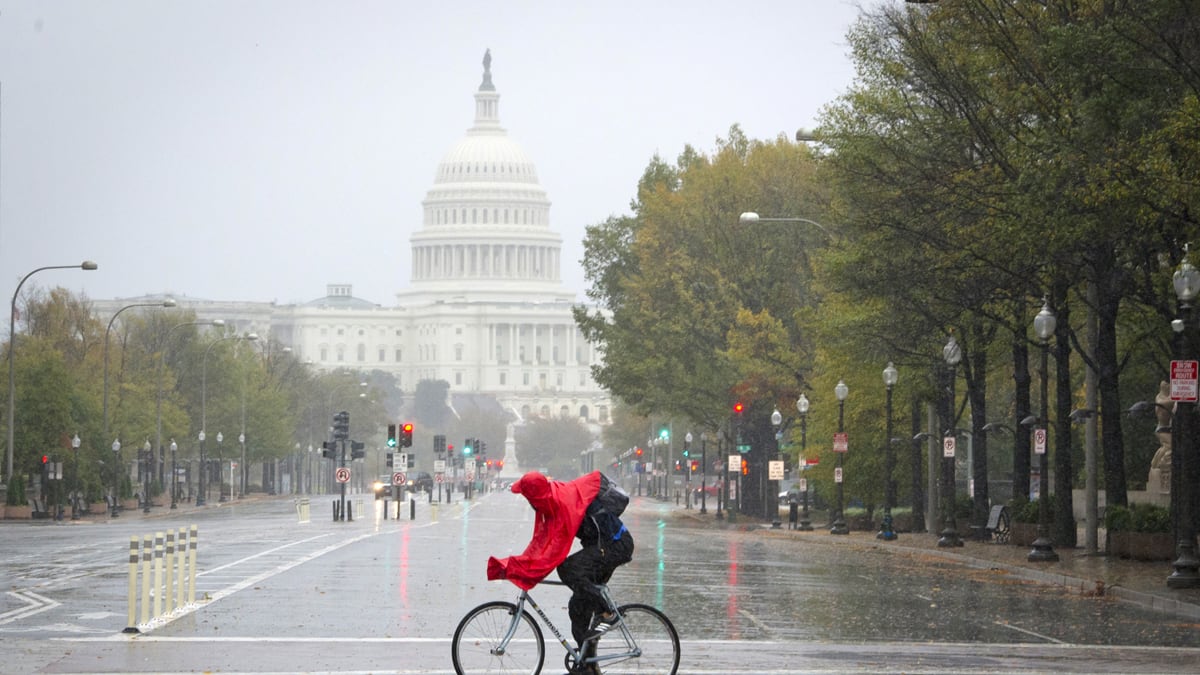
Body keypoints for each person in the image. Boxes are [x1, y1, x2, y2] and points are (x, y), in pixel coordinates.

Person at [488, 471, 634, 675]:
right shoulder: (552, 501)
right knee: (578, 607)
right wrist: (517, 566)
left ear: (536, 496)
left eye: (528, 497)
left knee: (568, 568)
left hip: (616, 545)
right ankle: (588, 666)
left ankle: (607, 612)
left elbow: (553, 552)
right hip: (601, 546)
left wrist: (525, 569)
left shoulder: (562, 504)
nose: (529, 502)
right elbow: (540, 543)